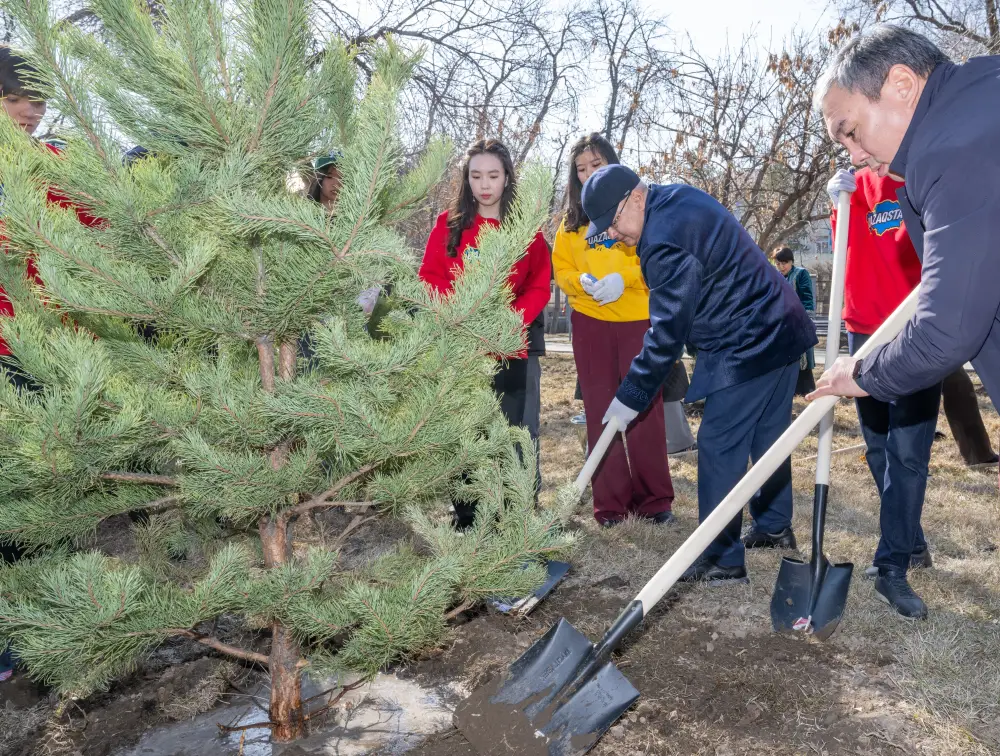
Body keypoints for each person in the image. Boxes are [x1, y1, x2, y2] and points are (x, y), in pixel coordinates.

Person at [583, 164, 817, 582]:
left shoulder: (662, 241)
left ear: (636, 197)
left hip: (749, 341)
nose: (613, 235)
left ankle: (719, 556)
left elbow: (666, 334)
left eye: (613, 223)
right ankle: (775, 525)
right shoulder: (676, 197)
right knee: (767, 437)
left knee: (719, 445)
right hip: (783, 324)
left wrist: (630, 396)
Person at [809, 27, 1000, 449]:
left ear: (902, 84)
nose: (855, 156)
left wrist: (860, 374)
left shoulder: (951, 151)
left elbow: (947, 331)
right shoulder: (985, 93)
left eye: (852, 132)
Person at [419, 139, 550, 527]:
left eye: (493, 175)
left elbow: (540, 285)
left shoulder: (525, 228)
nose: (484, 184)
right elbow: (430, 276)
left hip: (508, 346)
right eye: (476, 176)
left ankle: (514, 516)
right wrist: (460, 314)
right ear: (467, 180)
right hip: (460, 347)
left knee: (511, 432)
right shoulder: (449, 224)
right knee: (465, 433)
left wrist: (510, 320)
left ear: (507, 177)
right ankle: (468, 517)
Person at [552, 133, 674, 526]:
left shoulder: (637, 210)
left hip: (636, 318)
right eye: (581, 169)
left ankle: (654, 501)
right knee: (599, 410)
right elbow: (563, 269)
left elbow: (651, 259)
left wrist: (623, 279)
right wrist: (580, 284)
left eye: (596, 166)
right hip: (590, 324)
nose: (588, 175)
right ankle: (610, 504)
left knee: (644, 408)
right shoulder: (570, 225)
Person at [772, 247, 816, 396]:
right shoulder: (775, 276)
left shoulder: (800, 274)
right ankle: (786, 391)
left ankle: (807, 391)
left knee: (802, 359)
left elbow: (807, 299)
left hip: (798, 322)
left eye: (785, 263)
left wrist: (804, 321)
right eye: (778, 263)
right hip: (780, 323)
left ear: (791, 261)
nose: (781, 266)